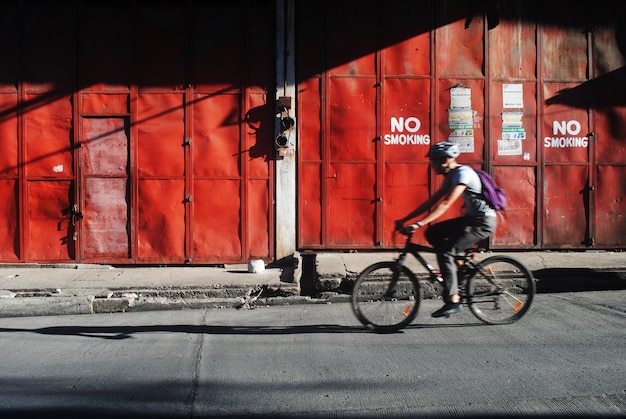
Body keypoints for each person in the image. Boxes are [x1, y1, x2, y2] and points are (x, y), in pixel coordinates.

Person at [394, 142, 497, 318]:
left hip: (482, 222)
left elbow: (445, 203)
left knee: (444, 253)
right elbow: (431, 202)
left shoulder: (463, 174)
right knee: (433, 233)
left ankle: (453, 300)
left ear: (446, 160)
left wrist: (418, 224)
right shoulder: (451, 176)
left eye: (434, 161)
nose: (432, 165)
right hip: (471, 220)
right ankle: (459, 265)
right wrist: (405, 219)